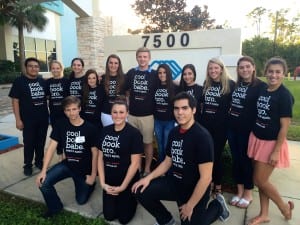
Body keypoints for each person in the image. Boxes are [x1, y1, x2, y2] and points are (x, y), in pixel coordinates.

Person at [132, 92, 230, 225]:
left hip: (194, 188)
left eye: (184, 108)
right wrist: (148, 178)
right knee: (140, 190)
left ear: (194, 110)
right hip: (175, 183)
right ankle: (166, 220)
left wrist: (190, 205)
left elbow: (206, 178)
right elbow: (167, 162)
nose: (180, 112)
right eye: (176, 108)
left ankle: (218, 206)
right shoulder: (174, 132)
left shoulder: (202, 137)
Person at [247, 57, 294, 225]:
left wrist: (276, 150)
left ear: (283, 74)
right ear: (265, 72)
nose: (274, 75)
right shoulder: (263, 89)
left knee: (260, 180)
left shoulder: (284, 96)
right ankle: (264, 214)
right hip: (257, 139)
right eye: (271, 71)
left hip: (271, 144)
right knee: (261, 181)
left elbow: (284, 127)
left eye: (278, 72)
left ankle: (284, 208)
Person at [35, 96, 98, 218]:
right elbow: (51, 147)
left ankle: (91, 185)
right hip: (67, 165)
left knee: (81, 200)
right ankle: (55, 208)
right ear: (64, 111)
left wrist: (93, 175)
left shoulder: (90, 128)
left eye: (74, 109)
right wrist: (43, 171)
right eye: (68, 110)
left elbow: (96, 153)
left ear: (80, 109)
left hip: (84, 170)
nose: (71, 113)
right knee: (43, 183)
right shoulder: (61, 124)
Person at [227, 56, 267, 208]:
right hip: (232, 128)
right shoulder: (236, 85)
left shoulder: (260, 86)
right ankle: (239, 191)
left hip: (247, 131)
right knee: (236, 160)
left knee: (245, 161)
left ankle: (248, 193)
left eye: (247, 67)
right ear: (238, 70)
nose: (244, 70)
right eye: (241, 67)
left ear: (253, 68)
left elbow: (278, 98)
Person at [97, 96, 143, 224]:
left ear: (127, 113)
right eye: (115, 112)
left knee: (124, 219)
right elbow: (100, 158)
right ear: (111, 113)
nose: (118, 115)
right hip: (109, 180)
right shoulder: (104, 131)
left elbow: (135, 164)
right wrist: (102, 183)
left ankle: (134, 198)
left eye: (121, 112)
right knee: (109, 216)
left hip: (126, 181)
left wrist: (123, 186)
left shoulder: (134, 134)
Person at [199, 57, 235, 196]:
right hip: (205, 127)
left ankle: (218, 186)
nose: (213, 71)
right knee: (207, 156)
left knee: (216, 157)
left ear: (221, 68)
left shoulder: (230, 85)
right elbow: (200, 101)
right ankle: (209, 183)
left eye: (216, 68)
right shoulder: (206, 84)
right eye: (210, 68)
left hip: (220, 128)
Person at [9, 57, 49, 176]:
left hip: (43, 118)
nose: (33, 68)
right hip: (28, 120)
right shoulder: (19, 82)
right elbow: (15, 101)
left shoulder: (42, 81)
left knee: (41, 142)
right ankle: (27, 164)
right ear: (26, 68)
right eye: (31, 66)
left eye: (36, 66)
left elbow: (48, 97)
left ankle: (39, 161)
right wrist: (18, 120)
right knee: (29, 143)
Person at [125, 47, 158, 176]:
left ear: (149, 58)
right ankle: (137, 168)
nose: (142, 59)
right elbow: (126, 89)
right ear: (136, 58)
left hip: (148, 116)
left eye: (145, 57)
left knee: (148, 143)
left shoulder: (154, 74)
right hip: (132, 115)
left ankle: (147, 169)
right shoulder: (131, 73)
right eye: (140, 56)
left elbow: (166, 84)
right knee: (134, 144)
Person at [46, 60, 70, 156]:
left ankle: (67, 154)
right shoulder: (48, 82)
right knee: (57, 135)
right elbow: (47, 96)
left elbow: (69, 98)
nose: (55, 70)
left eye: (57, 68)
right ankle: (60, 155)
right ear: (51, 69)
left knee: (67, 134)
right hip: (54, 113)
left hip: (65, 114)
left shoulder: (67, 81)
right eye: (53, 68)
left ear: (61, 69)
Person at [154, 64, 177, 163]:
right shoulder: (155, 86)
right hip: (157, 121)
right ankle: (160, 166)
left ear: (168, 73)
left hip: (169, 121)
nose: (162, 75)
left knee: (166, 145)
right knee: (159, 145)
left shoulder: (175, 87)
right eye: (160, 73)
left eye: (164, 72)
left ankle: (168, 168)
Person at [100, 54, 126, 127]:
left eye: (116, 63)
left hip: (121, 113)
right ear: (107, 64)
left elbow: (128, 94)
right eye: (111, 62)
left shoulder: (125, 78)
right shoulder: (102, 78)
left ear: (119, 65)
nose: (113, 65)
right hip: (106, 114)